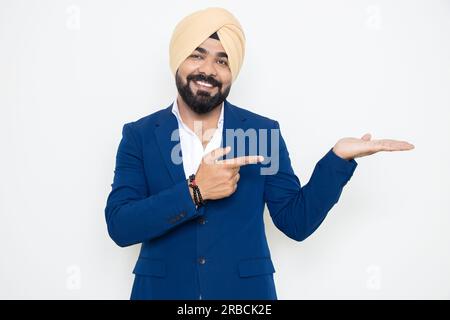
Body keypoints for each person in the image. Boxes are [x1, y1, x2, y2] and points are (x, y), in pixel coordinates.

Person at [104, 7, 414, 300]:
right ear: (178, 60)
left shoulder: (262, 132)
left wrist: (337, 160)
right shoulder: (139, 135)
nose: (208, 70)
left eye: (222, 61)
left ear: (232, 71)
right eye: (197, 56)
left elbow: (296, 222)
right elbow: (121, 226)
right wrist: (195, 191)